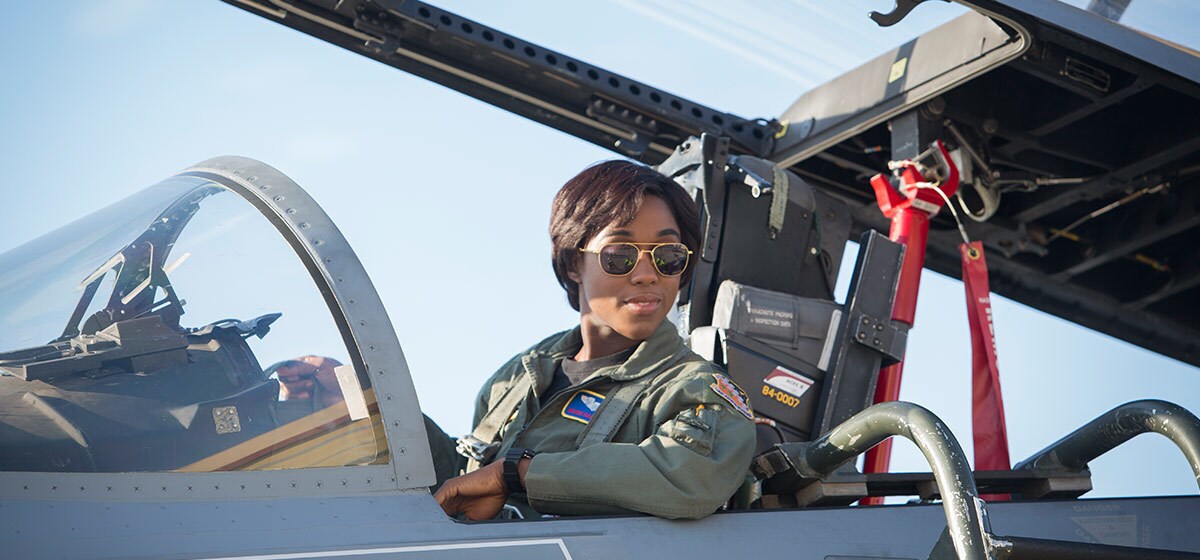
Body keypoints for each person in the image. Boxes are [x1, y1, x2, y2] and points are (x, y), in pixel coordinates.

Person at [278, 160, 755, 520]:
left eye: (668, 255)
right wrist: (363, 406)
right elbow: (461, 483)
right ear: (573, 263)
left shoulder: (694, 389)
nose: (648, 274)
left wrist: (520, 472)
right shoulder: (518, 375)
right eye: (620, 254)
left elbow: (692, 474)